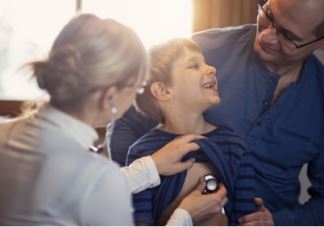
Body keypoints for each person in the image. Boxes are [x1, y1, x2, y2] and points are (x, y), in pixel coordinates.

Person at [109, 0, 324, 225]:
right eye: (268, 14)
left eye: (288, 36)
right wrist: (147, 195)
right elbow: (125, 114)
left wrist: (279, 222)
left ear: (320, 43)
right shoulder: (200, 48)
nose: (266, 36)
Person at [0, 13, 228, 225]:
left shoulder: (4, 135)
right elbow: (90, 187)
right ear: (109, 97)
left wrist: (150, 167)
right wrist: (184, 216)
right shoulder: (99, 179)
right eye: (137, 88)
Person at [126, 38, 257, 226]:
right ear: (163, 90)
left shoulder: (235, 145)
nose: (211, 68)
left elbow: (246, 218)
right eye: (194, 65)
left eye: (205, 62)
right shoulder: (143, 153)